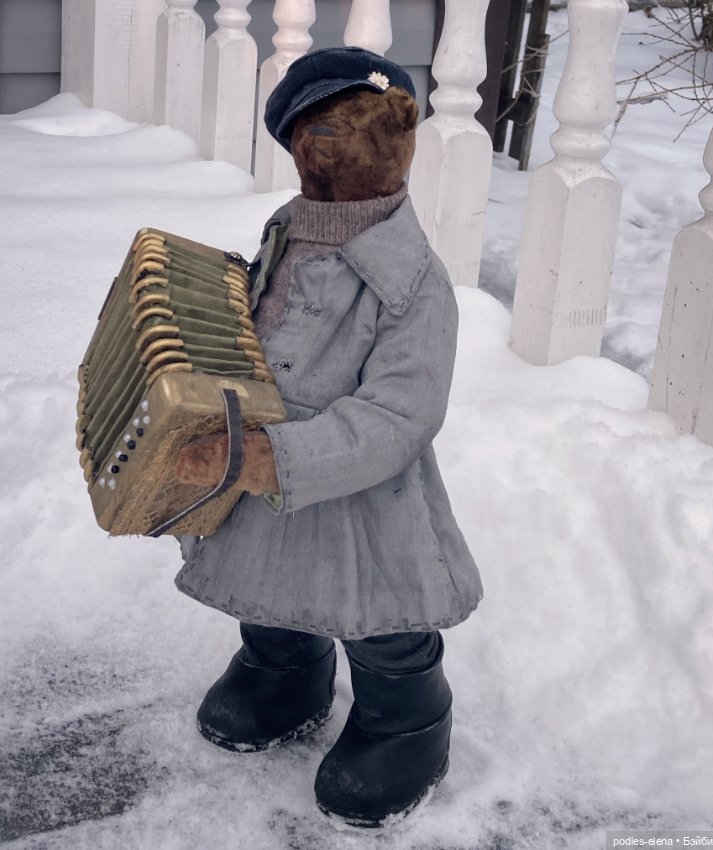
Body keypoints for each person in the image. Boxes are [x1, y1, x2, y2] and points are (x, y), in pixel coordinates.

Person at [173, 46, 483, 828]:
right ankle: (283, 673)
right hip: (263, 458)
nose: (366, 148)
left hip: (364, 489)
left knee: (380, 615)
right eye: (330, 131)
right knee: (265, 582)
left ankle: (404, 720)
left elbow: (401, 412)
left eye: (384, 128)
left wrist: (273, 457)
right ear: (300, 146)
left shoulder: (414, 281)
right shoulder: (285, 228)